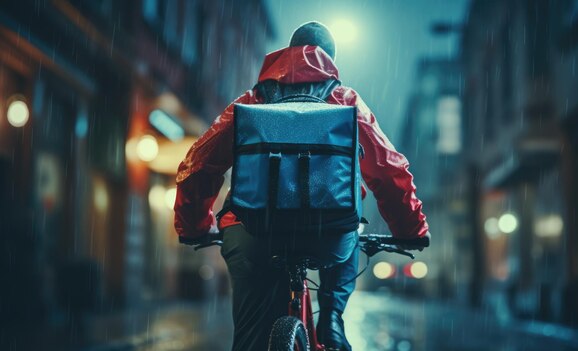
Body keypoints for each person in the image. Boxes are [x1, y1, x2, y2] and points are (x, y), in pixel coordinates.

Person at [174, 21, 429, 351]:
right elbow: (388, 171)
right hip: (327, 235)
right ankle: (332, 319)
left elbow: (197, 166)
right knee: (351, 233)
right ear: (331, 60)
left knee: (251, 336)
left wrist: (194, 225)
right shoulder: (345, 101)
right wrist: (411, 229)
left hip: (254, 232)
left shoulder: (251, 102)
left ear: (287, 53)